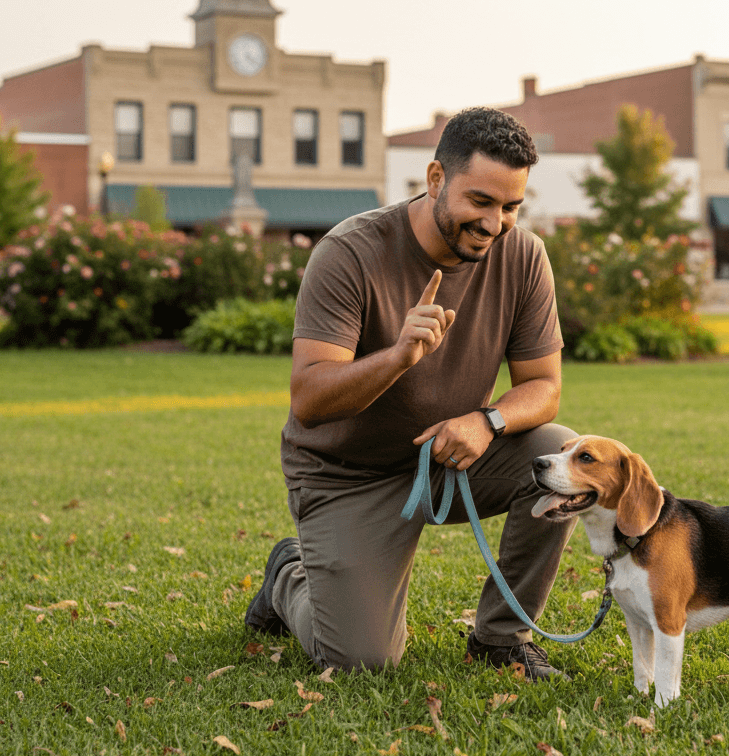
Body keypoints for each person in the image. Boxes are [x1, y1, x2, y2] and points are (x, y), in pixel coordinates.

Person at [244, 107, 578, 681]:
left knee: (559, 453)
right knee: (362, 661)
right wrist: (397, 357)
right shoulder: (350, 252)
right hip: (348, 475)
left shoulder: (523, 256)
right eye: (480, 201)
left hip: (449, 458)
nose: (494, 223)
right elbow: (310, 398)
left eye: (510, 206)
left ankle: (502, 638)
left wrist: (486, 422)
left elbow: (544, 387)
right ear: (436, 178)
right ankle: (287, 576)